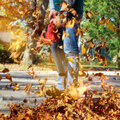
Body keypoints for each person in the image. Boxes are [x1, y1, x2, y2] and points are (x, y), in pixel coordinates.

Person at [48, 0, 84, 92]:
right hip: (58, 13)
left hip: (71, 14)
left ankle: (71, 88)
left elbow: (69, 2)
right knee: (56, 48)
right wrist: (52, 8)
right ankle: (61, 87)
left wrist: (61, 15)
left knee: (70, 50)